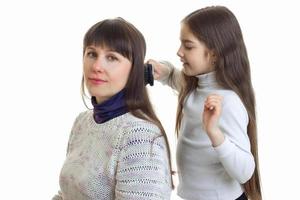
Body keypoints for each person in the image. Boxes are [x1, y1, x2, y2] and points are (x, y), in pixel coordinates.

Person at [148, 6, 262, 200]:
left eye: (188, 46)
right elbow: (175, 78)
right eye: (181, 44)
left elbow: (245, 172)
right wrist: (164, 72)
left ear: (215, 54)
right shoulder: (194, 85)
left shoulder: (229, 103)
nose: (179, 52)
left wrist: (215, 133)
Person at [52, 17, 173, 200]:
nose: (97, 66)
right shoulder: (82, 121)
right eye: (92, 54)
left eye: (112, 57)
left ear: (134, 70)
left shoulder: (140, 136)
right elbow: (67, 194)